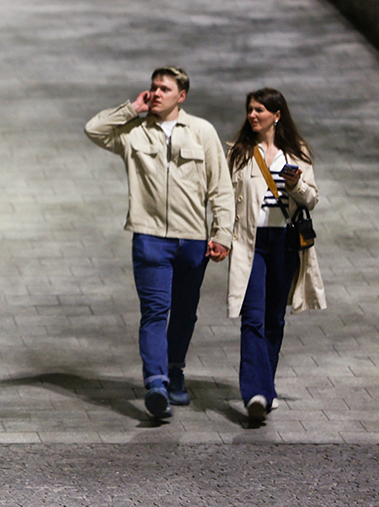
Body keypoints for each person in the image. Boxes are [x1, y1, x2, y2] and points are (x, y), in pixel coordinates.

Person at [85, 66, 234, 418]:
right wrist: (131, 108)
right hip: (150, 237)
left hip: (193, 239)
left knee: (184, 312)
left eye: (164, 89)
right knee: (154, 311)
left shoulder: (201, 131)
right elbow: (94, 129)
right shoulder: (133, 132)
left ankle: (175, 370)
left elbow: (221, 187)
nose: (155, 93)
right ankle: (156, 383)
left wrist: (222, 233)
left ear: (181, 96)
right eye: (153, 87)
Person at [226, 88, 326, 422]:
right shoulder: (239, 152)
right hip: (251, 242)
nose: (252, 115)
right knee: (252, 316)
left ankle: (266, 386)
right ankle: (255, 392)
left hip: (285, 241)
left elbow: (312, 199)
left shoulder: (297, 152)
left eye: (259, 110)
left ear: (277, 115)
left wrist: (295, 184)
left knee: (274, 318)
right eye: (250, 110)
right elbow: (226, 196)